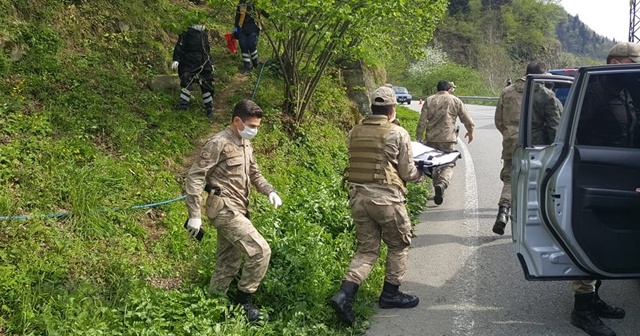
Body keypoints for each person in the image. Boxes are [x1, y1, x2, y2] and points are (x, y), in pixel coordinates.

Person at [329, 86, 427, 326]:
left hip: (358, 199)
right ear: (392, 110)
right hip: (387, 200)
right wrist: (422, 173)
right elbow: (407, 171)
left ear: (371, 108)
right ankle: (391, 294)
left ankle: (345, 294)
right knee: (398, 244)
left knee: (366, 250)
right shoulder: (397, 132)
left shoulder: (354, 131)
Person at [184, 99, 283, 322]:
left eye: (257, 126)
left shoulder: (245, 143)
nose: (255, 130)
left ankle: (212, 305)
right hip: (224, 209)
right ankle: (244, 303)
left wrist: (269, 191)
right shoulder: (218, 142)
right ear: (237, 121)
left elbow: (255, 172)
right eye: (252, 126)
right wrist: (194, 214)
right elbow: (196, 175)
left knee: (229, 260)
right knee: (260, 251)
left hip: (240, 208)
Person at [567, 41, 637, 336]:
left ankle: (593, 299)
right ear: (613, 62)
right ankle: (581, 310)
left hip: (619, 170)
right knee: (590, 236)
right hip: (592, 171)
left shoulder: (625, 91)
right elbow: (574, 129)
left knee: (607, 237)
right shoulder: (593, 88)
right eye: (630, 63)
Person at [492, 61, 561, 235]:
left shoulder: (507, 91)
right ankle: (532, 222)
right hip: (535, 144)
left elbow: (498, 120)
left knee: (509, 178)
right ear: (542, 74)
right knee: (536, 181)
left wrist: (510, 134)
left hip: (510, 140)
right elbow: (554, 125)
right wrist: (556, 148)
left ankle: (503, 212)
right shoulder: (546, 94)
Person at [415, 80, 474, 205]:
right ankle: (442, 183)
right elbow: (466, 118)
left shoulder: (429, 100)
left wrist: (419, 138)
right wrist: (470, 131)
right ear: (448, 89)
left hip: (432, 138)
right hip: (448, 138)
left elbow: (422, 121)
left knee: (434, 163)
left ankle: (438, 186)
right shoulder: (455, 100)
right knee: (448, 163)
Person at [171, 22, 215, 120]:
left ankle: (209, 109)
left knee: (207, 84)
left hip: (203, 62)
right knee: (186, 82)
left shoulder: (204, 35)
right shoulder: (186, 33)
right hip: (188, 61)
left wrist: (210, 62)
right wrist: (176, 59)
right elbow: (179, 46)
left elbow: (207, 50)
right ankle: (183, 108)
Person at [234, 1, 268, 73]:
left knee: (251, 44)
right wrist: (235, 29)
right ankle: (246, 66)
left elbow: (265, 13)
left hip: (254, 28)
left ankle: (255, 63)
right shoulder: (241, 3)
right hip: (242, 28)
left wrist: (272, 15)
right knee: (243, 45)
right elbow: (237, 16)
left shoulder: (256, 2)